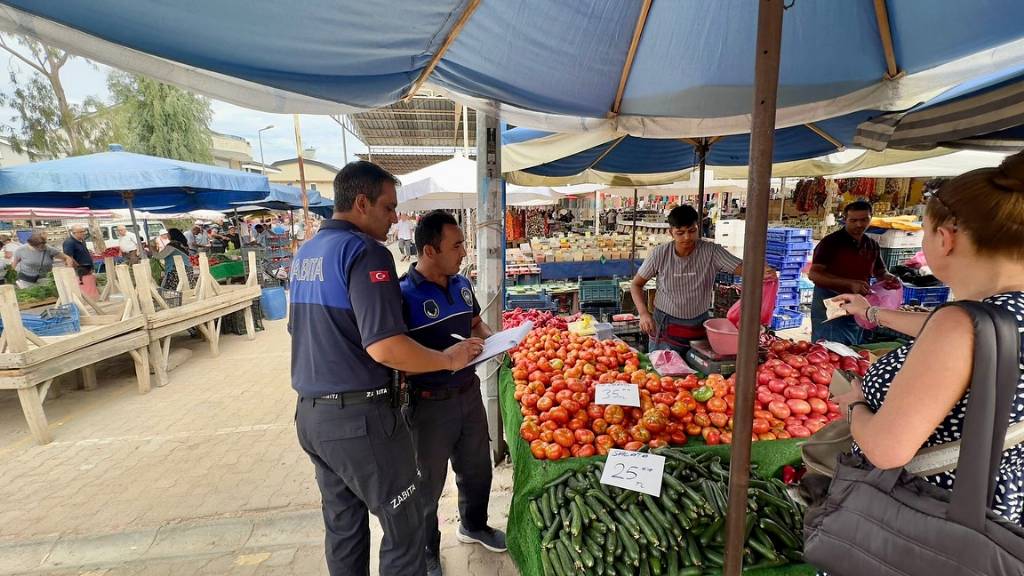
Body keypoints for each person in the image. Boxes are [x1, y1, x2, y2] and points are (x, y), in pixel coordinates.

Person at [290, 161, 484, 576]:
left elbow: (299, 330)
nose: (395, 217)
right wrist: (447, 359)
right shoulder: (365, 252)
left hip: (312, 416)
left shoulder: (306, 253)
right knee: (406, 526)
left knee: (344, 528)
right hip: (361, 419)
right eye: (388, 207)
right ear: (361, 203)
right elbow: (385, 346)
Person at [832, 151, 1024, 525]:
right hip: (996, 503)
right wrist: (870, 312)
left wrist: (855, 406)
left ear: (944, 238)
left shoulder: (961, 324)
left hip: (924, 513)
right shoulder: (999, 314)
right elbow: (962, 335)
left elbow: (888, 450)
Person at [398, 211, 505, 576]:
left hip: (468, 394)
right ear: (429, 250)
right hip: (428, 406)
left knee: (477, 470)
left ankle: (473, 525)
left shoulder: (461, 284)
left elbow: (475, 322)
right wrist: (444, 360)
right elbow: (396, 359)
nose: (463, 252)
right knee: (425, 486)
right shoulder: (402, 295)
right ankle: (428, 550)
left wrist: (498, 341)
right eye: (456, 245)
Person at [630, 205, 775, 354]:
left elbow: (742, 268)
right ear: (671, 233)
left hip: (698, 325)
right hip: (665, 326)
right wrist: (643, 313)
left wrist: (759, 271)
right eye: (680, 233)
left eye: (692, 231)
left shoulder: (711, 251)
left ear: (698, 228)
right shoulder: (659, 254)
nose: (687, 237)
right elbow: (636, 285)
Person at [808, 200, 899, 345]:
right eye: (853, 220)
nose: (859, 224)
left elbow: (880, 271)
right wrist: (849, 283)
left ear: (871, 218)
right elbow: (814, 274)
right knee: (830, 346)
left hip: (860, 302)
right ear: (845, 220)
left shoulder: (871, 245)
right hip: (831, 301)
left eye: (864, 220)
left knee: (854, 345)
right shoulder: (830, 243)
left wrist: (889, 278)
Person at [62, 225, 99, 298]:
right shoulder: (69, 242)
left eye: (84, 231)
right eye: (81, 232)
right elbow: (69, 257)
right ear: (74, 232)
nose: (84, 233)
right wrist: (79, 267)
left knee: (89, 286)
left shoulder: (81, 241)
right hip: (80, 270)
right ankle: (86, 302)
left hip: (87, 268)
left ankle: (92, 300)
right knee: (83, 287)